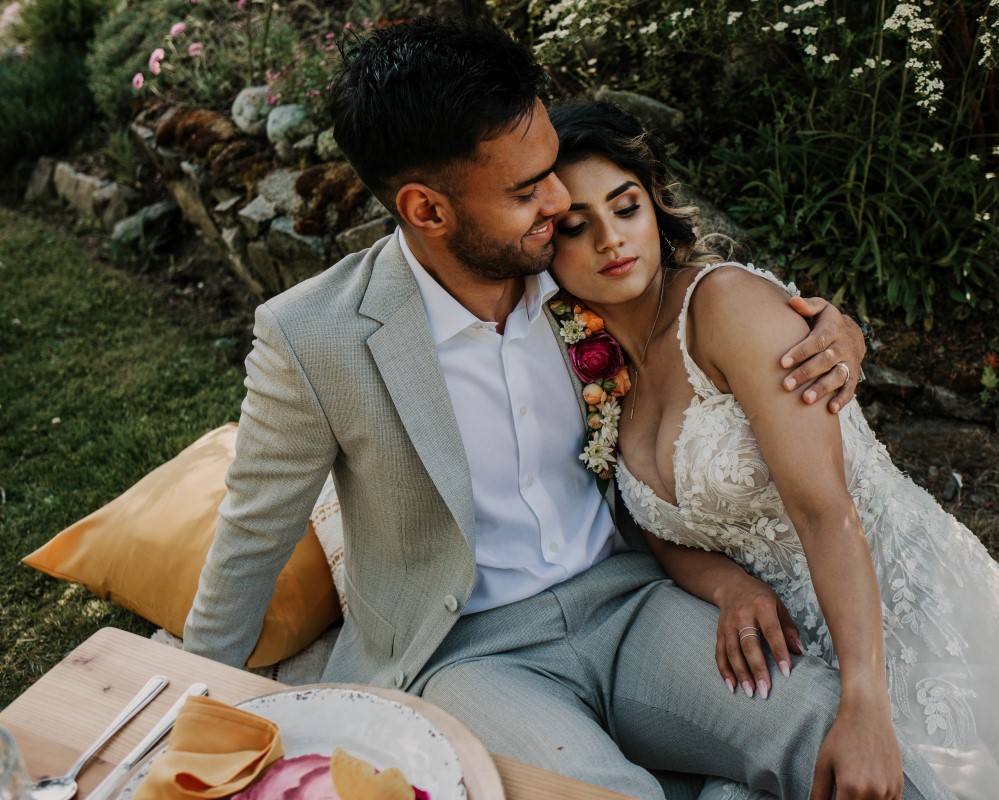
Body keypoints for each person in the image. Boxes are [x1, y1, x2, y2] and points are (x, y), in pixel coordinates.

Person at [181, 18, 954, 800]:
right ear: (427, 210)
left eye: (550, 169)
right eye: (526, 191)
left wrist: (833, 328)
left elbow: (709, 310)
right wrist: (186, 708)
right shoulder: (314, 335)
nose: (559, 203)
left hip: (629, 603)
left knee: (826, 727)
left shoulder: (584, 271)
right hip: (467, 656)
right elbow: (253, 534)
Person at [545, 98, 999, 800]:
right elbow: (657, 523)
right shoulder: (585, 360)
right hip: (786, 653)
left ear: (654, 209)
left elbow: (825, 513)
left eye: (625, 208)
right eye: (574, 225)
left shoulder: (723, 310)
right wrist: (729, 586)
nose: (610, 240)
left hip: (892, 618)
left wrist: (865, 704)